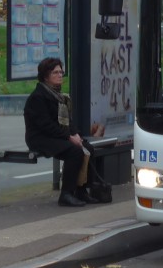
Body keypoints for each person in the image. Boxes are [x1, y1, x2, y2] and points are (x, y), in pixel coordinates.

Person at [23, 57, 108, 207]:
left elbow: (68, 121)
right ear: (46, 76)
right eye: (55, 72)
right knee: (74, 152)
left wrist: (76, 135)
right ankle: (66, 194)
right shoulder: (38, 97)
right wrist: (69, 137)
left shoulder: (59, 96)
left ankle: (81, 191)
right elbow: (46, 126)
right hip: (40, 138)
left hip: (57, 135)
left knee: (87, 148)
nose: (60, 75)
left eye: (61, 72)